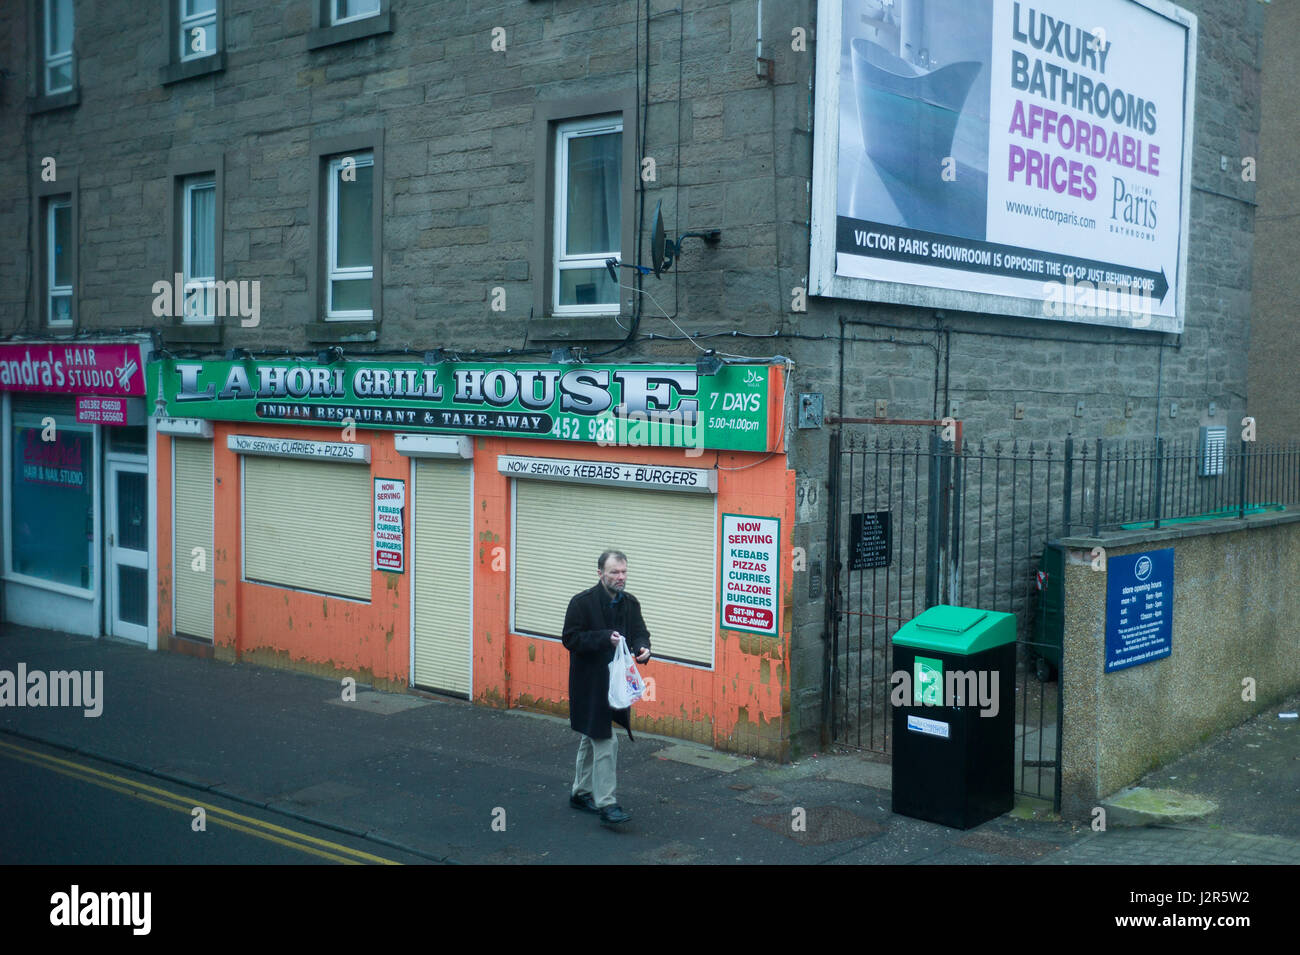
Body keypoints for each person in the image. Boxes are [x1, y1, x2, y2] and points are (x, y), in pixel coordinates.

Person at [562, 549, 651, 826]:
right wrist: (604, 638)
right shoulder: (581, 603)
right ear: (599, 573)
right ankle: (607, 803)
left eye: (624, 571)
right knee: (606, 740)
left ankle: (580, 792)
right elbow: (571, 639)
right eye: (614, 572)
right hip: (590, 684)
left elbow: (639, 631)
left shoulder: (630, 603)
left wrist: (642, 648)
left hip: (616, 686)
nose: (620, 577)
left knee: (592, 736)